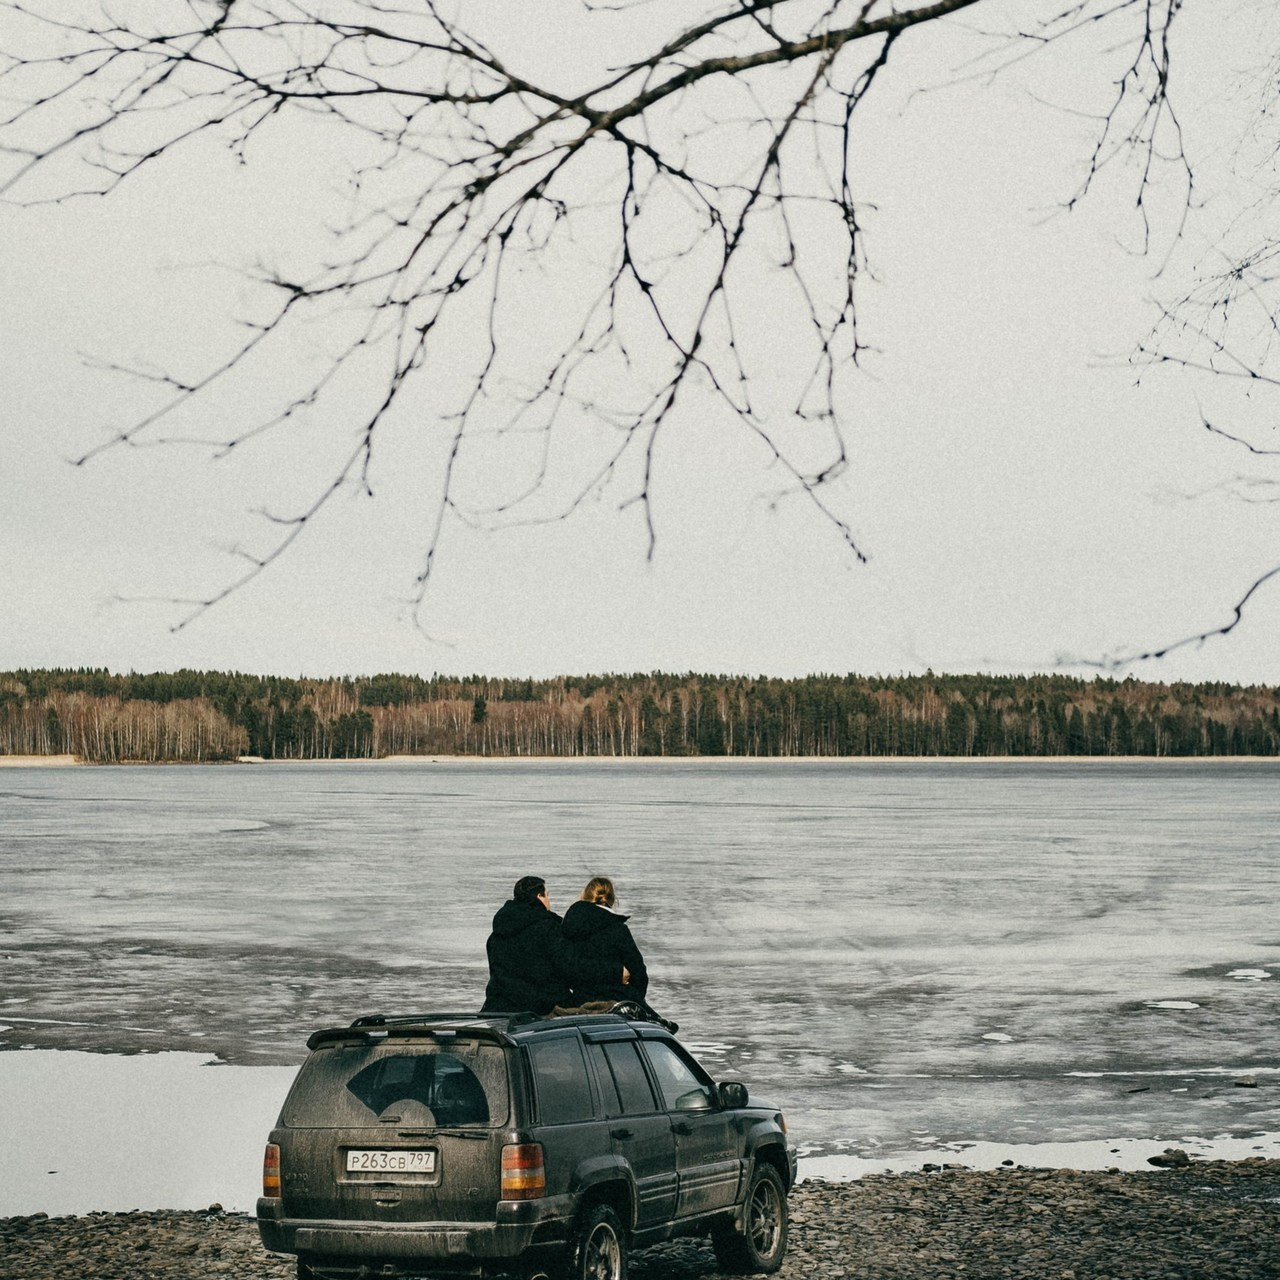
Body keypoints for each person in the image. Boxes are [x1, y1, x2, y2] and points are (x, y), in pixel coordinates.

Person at [480, 875, 572, 1015]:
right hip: (539, 1008)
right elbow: (564, 968)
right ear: (539, 896)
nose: (549, 901)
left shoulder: (497, 933)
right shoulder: (550, 928)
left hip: (497, 1006)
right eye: (547, 895)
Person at [561, 876, 648, 1005]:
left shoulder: (569, 926)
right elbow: (639, 974)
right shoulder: (618, 929)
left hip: (581, 999)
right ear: (612, 899)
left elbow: (567, 966)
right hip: (616, 999)